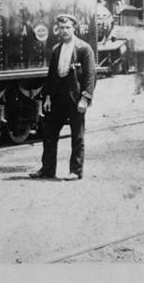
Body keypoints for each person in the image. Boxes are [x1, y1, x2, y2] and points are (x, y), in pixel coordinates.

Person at [30, 13, 97, 181]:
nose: (64, 31)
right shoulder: (57, 49)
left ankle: (75, 171)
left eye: (67, 28)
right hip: (58, 98)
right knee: (49, 133)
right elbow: (52, 76)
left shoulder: (84, 49)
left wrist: (85, 98)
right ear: (57, 30)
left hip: (75, 98)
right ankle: (47, 169)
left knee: (77, 136)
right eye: (61, 28)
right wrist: (47, 97)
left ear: (74, 28)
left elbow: (90, 76)